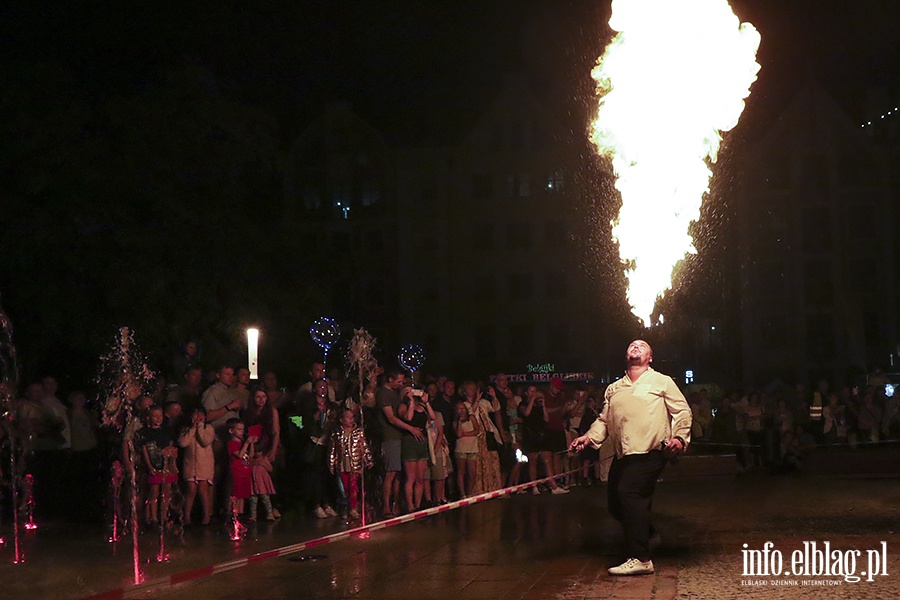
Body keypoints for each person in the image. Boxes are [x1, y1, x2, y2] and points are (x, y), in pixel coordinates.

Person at [570, 339, 692, 576]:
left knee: (630, 493)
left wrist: (679, 437)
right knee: (616, 505)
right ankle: (647, 534)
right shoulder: (614, 388)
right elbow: (604, 421)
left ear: (651, 357)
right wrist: (588, 438)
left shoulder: (662, 381)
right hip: (624, 454)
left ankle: (641, 558)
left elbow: (682, 411)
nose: (636, 347)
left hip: (652, 450)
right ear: (625, 355)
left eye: (642, 346)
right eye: (632, 345)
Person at [329, 409, 374, 520]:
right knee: (345, 488)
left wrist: (368, 460)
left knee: (353, 486)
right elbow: (332, 450)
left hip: (355, 463)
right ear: (341, 420)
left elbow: (364, 447)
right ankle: (347, 507)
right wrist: (331, 464)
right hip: (342, 463)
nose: (351, 419)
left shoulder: (358, 432)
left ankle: (353, 508)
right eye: (348, 417)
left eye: (352, 417)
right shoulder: (336, 433)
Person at [179, 408, 215, 526]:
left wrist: (200, 427)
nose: (198, 417)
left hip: (205, 465)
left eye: (201, 415)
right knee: (191, 490)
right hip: (190, 466)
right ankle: (186, 516)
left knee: (203, 490)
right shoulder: (186, 430)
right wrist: (193, 428)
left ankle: (207, 515)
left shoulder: (208, 429)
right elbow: (183, 443)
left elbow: (205, 441)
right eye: (195, 415)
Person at [226, 417, 256, 521]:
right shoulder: (232, 444)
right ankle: (233, 514)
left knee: (242, 495)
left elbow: (250, 455)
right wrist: (247, 443)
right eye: (239, 429)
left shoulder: (243, 443)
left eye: (242, 429)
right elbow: (239, 455)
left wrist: (251, 443)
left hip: (245, 472)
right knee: (236, 495)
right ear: (231, 431)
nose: (241, 432)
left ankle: (240, 514)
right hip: (237, 472)